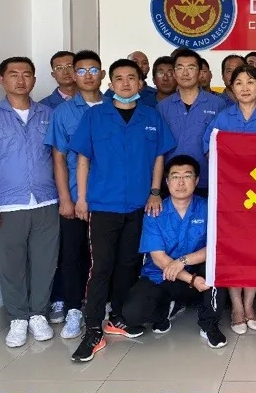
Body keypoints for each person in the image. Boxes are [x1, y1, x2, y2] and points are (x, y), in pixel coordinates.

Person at [68, 58, 176, 363]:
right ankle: (93, 329)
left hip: (139, 205)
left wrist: (155, 192)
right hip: (103, 204)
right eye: (119, 78)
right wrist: (81, 199)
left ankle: (119, 318)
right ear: (110, 83)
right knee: (101, 266)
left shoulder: (151, 116)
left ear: (141, 83)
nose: (126, 83)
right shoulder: (95, 116)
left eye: (131, 78)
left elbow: (159, 157)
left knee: (129, 263)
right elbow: (83, 160)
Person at [0, 57, 59, 348]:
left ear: (34, 80)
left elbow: (58, 159)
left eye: (27, 74)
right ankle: (18, 317)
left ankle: (38, 314)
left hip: (46, 201)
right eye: (14, 74)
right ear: (2, 80)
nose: (21, 80)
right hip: (7, 205)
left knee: (45, 263)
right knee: (10, 266)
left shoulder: (48, 115)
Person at [203, 64, 256, 331]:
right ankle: (237, 307)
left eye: (250, 82)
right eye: (239, 83)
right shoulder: (222, 119)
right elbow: (209, 151)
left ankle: (249, 304)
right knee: (233, 251)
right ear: (231, 88)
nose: (245, 88)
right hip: (231, 198)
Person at [121, 155, 228, 348]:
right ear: (167, 181)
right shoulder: (155, 211)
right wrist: (190, 279)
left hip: (197, 272)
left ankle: (209, 324)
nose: (181, 182)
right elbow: (159, 258)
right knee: (132, 314)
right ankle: (164, 311)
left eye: (187, 176)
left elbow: (216, 246)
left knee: (216, 268)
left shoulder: (208, 208)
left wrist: (183, 261)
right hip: (163, 275)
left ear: (197, 180)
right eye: (175, 176)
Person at [44, 50, 106, 339]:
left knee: (104, 256)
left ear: (102, 74)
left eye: (93, 70)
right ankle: (73, 309)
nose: (87, 76)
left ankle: (103, 305)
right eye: (81, 71)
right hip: (74, 194)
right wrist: (65, 199)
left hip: (109, 197)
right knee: (72, 255)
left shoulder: (115, 106)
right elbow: (58, 159)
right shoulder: (63, 113)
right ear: (73, 75)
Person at [157, 49, 225, 199]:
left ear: (200, 73)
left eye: (191, 68)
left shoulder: (218, 105)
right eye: (180, 68)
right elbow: (158, 149)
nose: (185, 73)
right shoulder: (162, 107)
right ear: (174, 73)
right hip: (171, 183)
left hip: (208, 181)